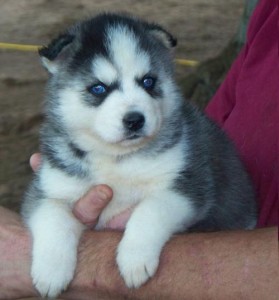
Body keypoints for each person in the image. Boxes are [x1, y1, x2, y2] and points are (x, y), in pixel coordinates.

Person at [0, 0, 277, 299]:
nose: (134, 109)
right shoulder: (61, 152)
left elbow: (188, 194)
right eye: (99, 89)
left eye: (148, 82)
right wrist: (53, 246)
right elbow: (47, 203)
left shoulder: (175, 142)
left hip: (227, 243)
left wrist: (142, 236)